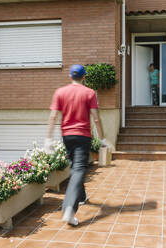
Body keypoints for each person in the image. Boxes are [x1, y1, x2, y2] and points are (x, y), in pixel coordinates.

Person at [45, 64, 109, 226]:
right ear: (84, 77)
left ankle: (81, 197)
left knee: (75, 168)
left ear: (70, 76)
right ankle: (69, 209)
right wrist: (102, 139)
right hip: (83, 136)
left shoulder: (60, 92)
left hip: (67, 136)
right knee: (79, 169)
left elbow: (53, 117)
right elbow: (96, 118)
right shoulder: (89, 93)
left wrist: (48, 139)